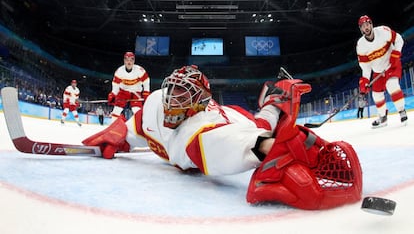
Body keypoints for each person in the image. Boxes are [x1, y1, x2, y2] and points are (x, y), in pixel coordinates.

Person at [83, 65, 362, 210]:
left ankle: (274, 100)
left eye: (181, 97)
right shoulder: (157, 101)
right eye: (171, 92)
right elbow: (136, 124)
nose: (171, 102)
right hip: (233, 117)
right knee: (260, 123)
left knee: (261, 125)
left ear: (198, 103)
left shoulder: (197, 134)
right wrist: (118, 135)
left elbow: (229, 144)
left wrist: (269, 148)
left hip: (234, 119)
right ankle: (273, 100)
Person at [356, 15, 408, 128]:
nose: (366, 27)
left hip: (391, 65)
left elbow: (398, 39)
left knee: (392, 85)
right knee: (376, 95)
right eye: (363, 26)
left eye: (368, 24)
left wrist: (396, 53)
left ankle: (401, 110)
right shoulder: (361, 45)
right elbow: (365, 67)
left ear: (371, 24)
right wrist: (364, 80)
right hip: (378, 72)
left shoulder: (383, 31)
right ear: (360, 29)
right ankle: (383, 117)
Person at [107, 51, 150, 122]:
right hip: (123, 92)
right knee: (116, 110)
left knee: (137, 110)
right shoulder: (119, 71)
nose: (129, 62)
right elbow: (115, 85)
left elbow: (146, 81)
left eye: (131, 60)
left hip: (136, 92)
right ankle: (113, 126)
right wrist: (113, 94)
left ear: (134, 61)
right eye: (127, 60)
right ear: (124, 61)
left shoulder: (140, 70)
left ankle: (140, 127)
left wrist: (146, 93)